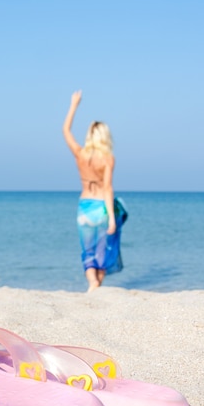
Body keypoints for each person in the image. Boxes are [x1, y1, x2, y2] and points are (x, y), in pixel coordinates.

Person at [63, 90, 126, 292]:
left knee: (87, 250)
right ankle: (98, 283)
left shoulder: (81, 155)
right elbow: (107, 187)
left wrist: (74, 105)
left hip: (85, 206)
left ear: (90, 135)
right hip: (102, 208)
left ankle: (92, 283)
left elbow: (66, 131)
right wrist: (112, 220)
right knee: (104, 249)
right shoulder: (108, 158)